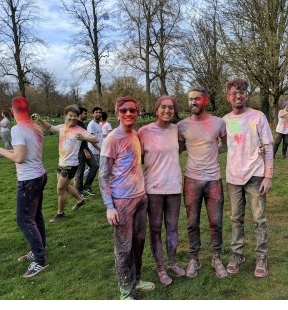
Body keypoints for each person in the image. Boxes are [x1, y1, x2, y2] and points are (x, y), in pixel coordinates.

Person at [98, 96, 155, 300]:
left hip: (141, 197)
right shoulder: (112, 139)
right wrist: (109, 206)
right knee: (124, 248)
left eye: (132, 110)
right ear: (117, 113)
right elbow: (103, 175)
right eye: (124, 110)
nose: (128, 113)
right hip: (121, 201)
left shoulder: (136, 135)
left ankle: (137, 279)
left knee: (139, 243)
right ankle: (126, 292)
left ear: (138, 113)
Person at [0, 96, 49, 278]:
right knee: (35, 216)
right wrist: (7, 152)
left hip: (29, 180)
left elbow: (20, 158)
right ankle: (39, 248)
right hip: (39, 175)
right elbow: (24, 153)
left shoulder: (17, 129)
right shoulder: (35, 127)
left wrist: (0, 150)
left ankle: (40, 260)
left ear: (12, 110)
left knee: (24, 220)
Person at [223, 77, 274, 278]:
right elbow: (222, 145)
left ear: (246, 95)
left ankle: (262, 256)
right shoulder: (225, 121)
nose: (238, 95)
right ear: (228, 97)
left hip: (255, 175)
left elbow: (268, 147)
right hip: (233, 177)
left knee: (259, 219)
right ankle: (237, 255)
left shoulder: (257, 117)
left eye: (242, 92)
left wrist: (268, 176)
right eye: (234, 93)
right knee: (236, 218)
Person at [177, 86, 228, 279]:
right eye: (190, 99)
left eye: (197, 99)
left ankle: (216, 258)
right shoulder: (182, 126)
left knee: (216, 222)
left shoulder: (219, 123)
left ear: (205, 100)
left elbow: (226, 144)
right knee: (192, 222)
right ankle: (194, 258)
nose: (192, 102)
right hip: (192, 180)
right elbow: (177, 150)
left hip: (214, 180)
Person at [138, 95, 186, 286]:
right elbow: (139, 158)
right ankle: (160, 268)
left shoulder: (177, 130)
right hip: (154, 188)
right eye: (163, 107)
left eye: (171, 108)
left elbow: (180, 149)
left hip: (174, 186)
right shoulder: (144, 131)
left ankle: (172, 262)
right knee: (156, 229)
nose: (167, 111)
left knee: (173, 227)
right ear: (156, 110)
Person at [34, 105, 98, 223]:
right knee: (65, 186)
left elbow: (95, 139)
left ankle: (60, 213)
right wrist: (40, 120)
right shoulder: (62, 127)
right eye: (71, 115)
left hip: (70, 165)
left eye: (75, 116)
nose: (73, 118)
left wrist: (84, 137)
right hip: (61, 162)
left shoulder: (79, 130)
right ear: (65, 116)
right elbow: (50, 127)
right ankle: (80, 200)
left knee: (60, 189)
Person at [75, 107, 99, 199]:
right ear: (80, 114)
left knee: (95, 166)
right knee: (80, 172)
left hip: (86, 148)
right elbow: (78, 140)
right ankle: (79, 191)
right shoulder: (77, 125)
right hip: (80, 151)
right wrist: (85, 150)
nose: (87, 115)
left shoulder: (82, 124)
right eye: (85, 113)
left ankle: (87, 187)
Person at [87, 107, 104, 173]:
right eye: (96, 112)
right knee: (93, 168)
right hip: (94, 151)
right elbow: (91, 140)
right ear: (93, 114)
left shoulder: (98, 124)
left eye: (100, 112)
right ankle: (78, 178)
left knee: (98, 168)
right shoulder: (91, 125)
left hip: (99, 150)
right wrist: (99, 149)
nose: (98, 114)